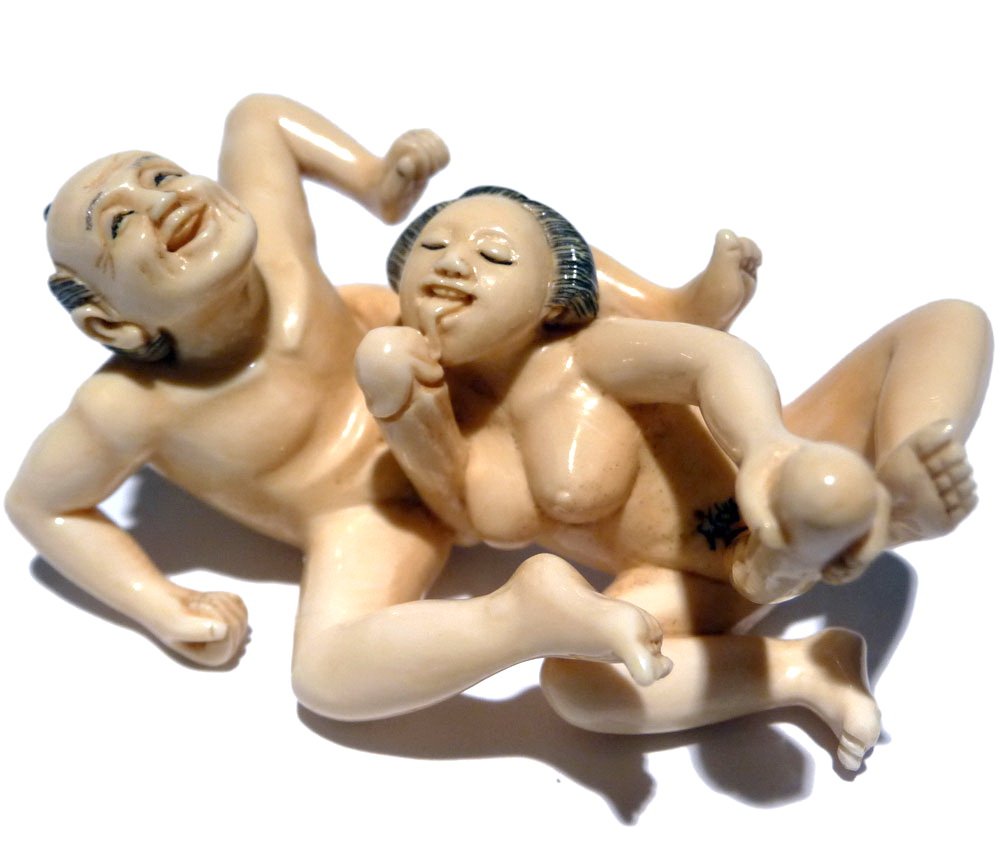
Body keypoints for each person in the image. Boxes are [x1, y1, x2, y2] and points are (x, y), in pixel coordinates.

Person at [7, 96, 769, 728]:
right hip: (367, 512)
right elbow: (41, 505)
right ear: (110, 323)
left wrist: (375, 181)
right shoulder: (125, 407)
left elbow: (257, 118)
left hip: (455, 394)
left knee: (503, 233)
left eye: (163, 174)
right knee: (325, 678)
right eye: (119, 224)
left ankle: (670, 311)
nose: (163, 199)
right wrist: (161, 605)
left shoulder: (278, 257)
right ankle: (523, 617)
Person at [354, 185, 992, 770]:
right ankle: (803, 665)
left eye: (494, 255)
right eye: (430, 248)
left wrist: (765, 443)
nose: (452, 262)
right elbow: (459, 515)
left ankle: (896, 477)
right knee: (576, 685)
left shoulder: (588, 353)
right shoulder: (452, 422)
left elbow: (712, 361)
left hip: (769, 473)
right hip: (683, 585)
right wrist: (401, 405)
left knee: (950, 320)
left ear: (554, 293)